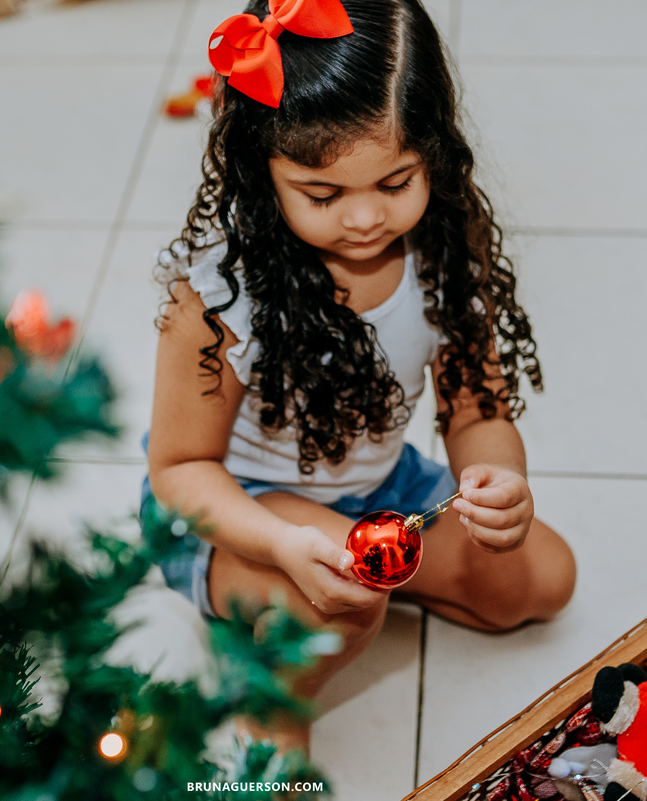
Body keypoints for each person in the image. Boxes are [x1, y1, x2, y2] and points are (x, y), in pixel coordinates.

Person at [142, 0, 576, 756]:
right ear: (263, 173)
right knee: (349, 601)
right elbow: (180, 470)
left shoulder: (444, 257)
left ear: (434, 153)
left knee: (543, 579)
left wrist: (500, 479)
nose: (366, 218)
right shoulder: (218, 296)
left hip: (382, 488)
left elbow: (476, 412)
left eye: (396, 181)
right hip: (237, 507)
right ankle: (272, 710)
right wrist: (280, 544)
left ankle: (344, 585)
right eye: (323, 195)